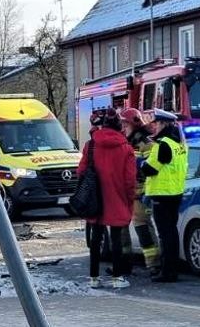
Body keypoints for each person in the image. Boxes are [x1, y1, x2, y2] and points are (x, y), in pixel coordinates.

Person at [78, 108, 137, 289]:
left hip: (95, 197)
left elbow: (81, 171)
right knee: (116, 238)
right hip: (117, 196)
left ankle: (93, 277)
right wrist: (129, 200)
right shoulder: (126, 148)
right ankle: (117, 277)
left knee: (96, 238)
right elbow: (130, 180)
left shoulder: (91, 145)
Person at [140, 109, 188, 283]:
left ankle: (167, 271)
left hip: (162, 194)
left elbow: (149, 169)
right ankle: (172, 269)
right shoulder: (179, 143)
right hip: (176, 192)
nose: (154, 127)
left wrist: (141, 163)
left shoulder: (162, 144)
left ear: (163, 124)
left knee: (165, 234)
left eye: (157, 124)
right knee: (171, 233)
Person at [120, 108, 160, 274]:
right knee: (120, 228)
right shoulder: (125, 142)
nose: (122, 127)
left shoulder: (147, 144)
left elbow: (149, 170)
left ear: (133, 124)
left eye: (125, 123)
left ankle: (154, 264)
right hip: (125, 193)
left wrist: (142, 191)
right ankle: (124, 264)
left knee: (142, 227)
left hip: (139, 193)